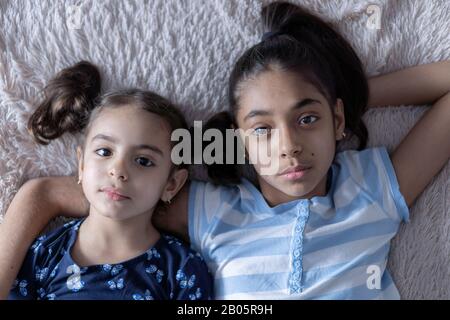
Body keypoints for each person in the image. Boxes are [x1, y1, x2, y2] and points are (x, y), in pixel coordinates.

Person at [1, 2, 449, 299]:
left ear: (336, 120)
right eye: (262, 129)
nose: (289, 147)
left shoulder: (372, 190)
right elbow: (50, 194)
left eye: (307, 118)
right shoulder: (212, 211)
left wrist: (349, 99)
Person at [7, 61, 212, 300]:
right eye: (104, 152)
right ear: (81, 165)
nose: (118, 170)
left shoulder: (181, 270)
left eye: (143, 161)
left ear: (171, 184)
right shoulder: (45, 255)